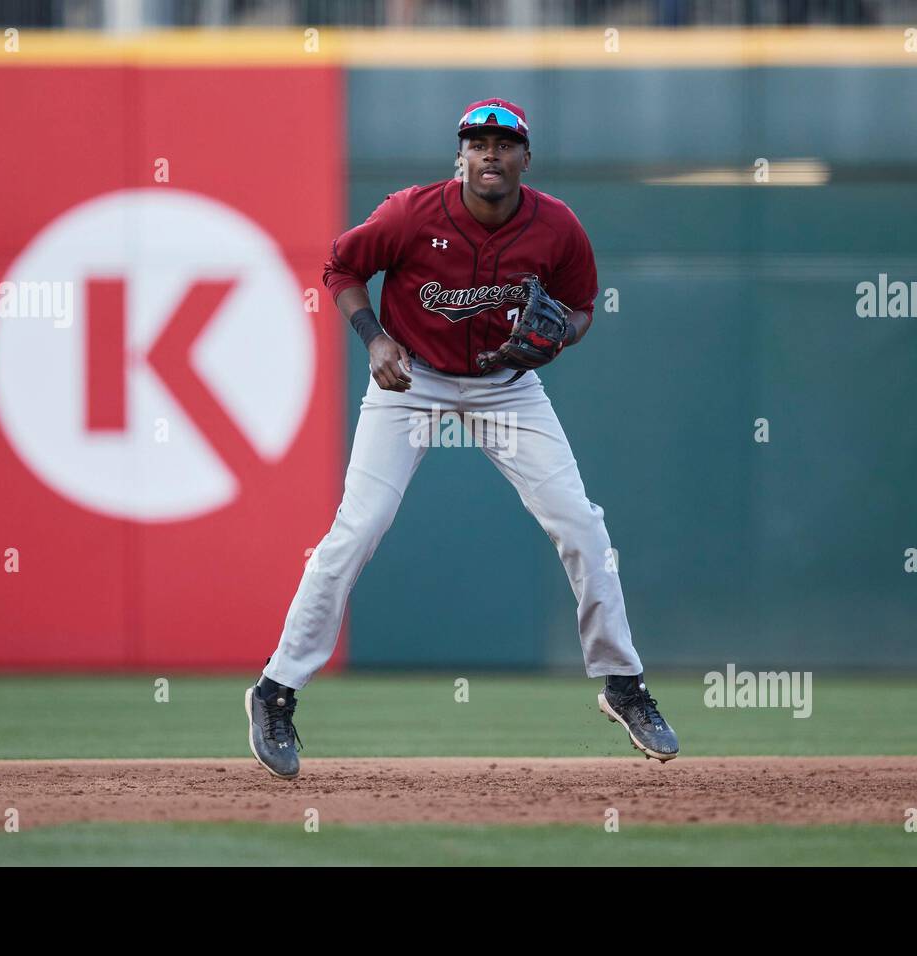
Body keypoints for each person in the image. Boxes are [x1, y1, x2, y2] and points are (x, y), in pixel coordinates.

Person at [246, 98, 679, 779]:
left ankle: (624, 686)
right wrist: (374, 338)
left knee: (582, 525)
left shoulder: (557, 227)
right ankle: (275, 692)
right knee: (358, 529)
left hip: (506, 387)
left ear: (524, 159)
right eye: (477, 142)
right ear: (461, 155)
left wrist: (560, 334)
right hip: (410, 380)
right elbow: (340, 268)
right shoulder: (411, 213)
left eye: (504, 144)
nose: (490, 154)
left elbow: (582, 307)